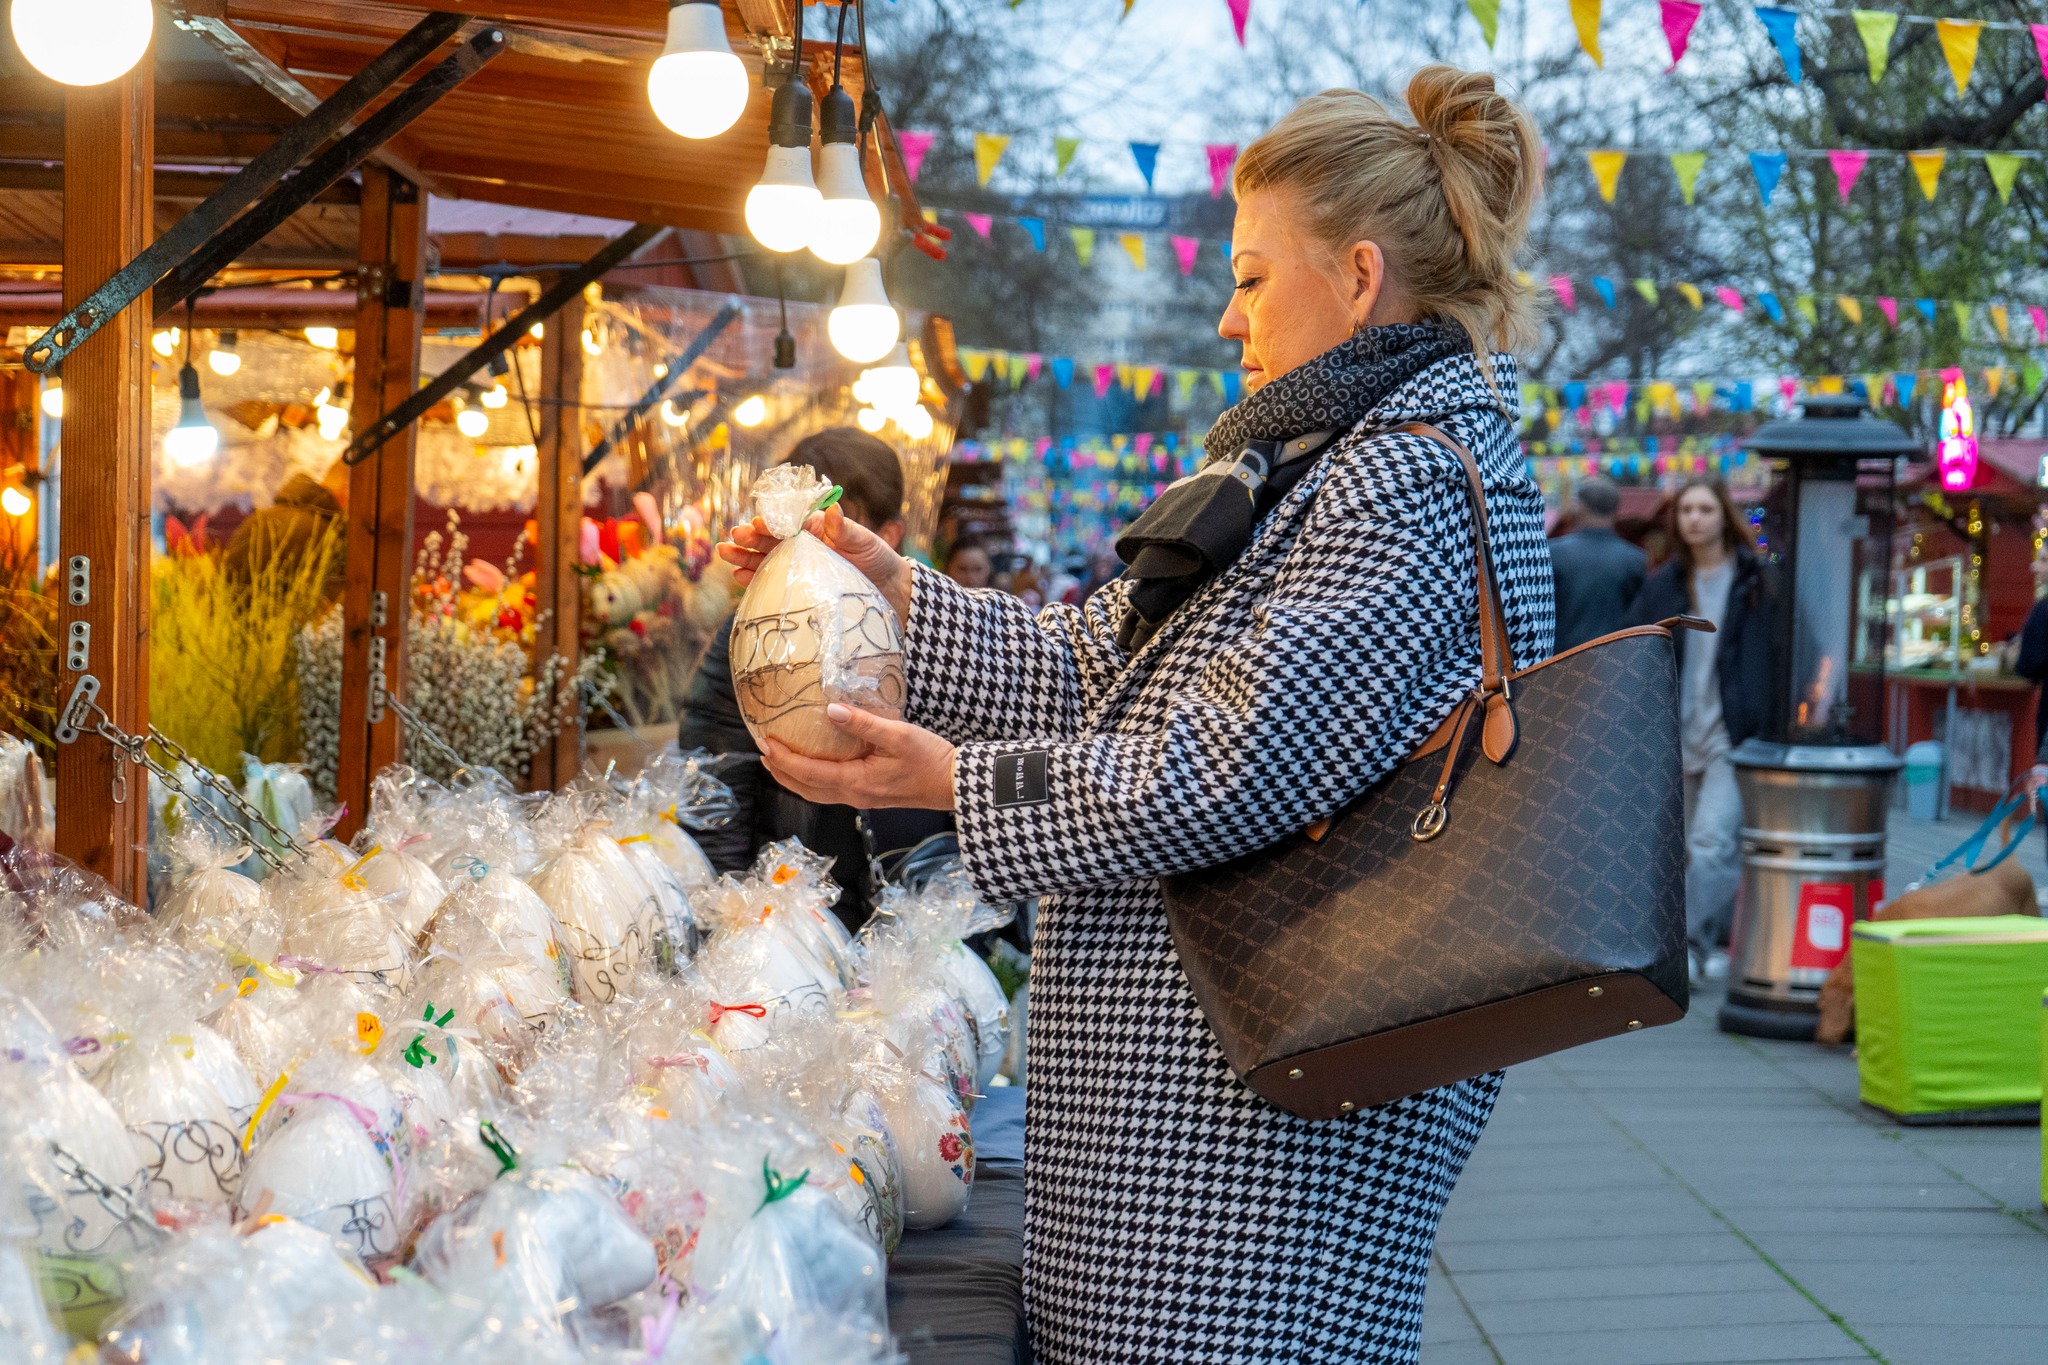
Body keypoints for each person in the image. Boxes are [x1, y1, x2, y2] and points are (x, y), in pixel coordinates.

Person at [721, 67, 1552, 1363]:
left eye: (1253, 277)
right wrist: (888, 593)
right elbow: (1088, 666)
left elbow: (1226, 767)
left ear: (1361, 277)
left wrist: (957, 785)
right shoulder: (1309, 464)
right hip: (1193, 1118)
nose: (1227, 317)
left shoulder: (1403, 482)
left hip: (1257, 1143)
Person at [675, 427, 947, 930]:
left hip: (924, 904)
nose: (817, 542)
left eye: (837, 525)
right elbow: (717, 776)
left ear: (889, 534)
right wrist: (736, 913)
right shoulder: (755, 633)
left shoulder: (939, 629)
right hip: (801, 905)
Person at [1625, 478, 1781, 979]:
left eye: (1705, 509)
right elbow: (1634, 651)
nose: (1694, 518)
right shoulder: (1664, 584)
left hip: (1732, 735)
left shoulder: (1755, 581)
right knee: (1684, 853)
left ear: (1724, 517)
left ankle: (1674, 949)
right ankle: (1698, 950)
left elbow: (1779, 654)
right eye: (1687, 509)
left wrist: (1769, 718)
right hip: (1673, 735)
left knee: (1712, 846)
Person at [1547, 476, 1646, 650]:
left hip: (1563, 659)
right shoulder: (1637, 559)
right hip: (1617, 657)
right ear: (1616, 509)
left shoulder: (1552, 553)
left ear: (1580, 507)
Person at [2008, 538, 2048, 754]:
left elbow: (2028, 666)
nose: (2034, 566)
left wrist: (2012, 656)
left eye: (2044, 560)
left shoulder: (2043, 609)